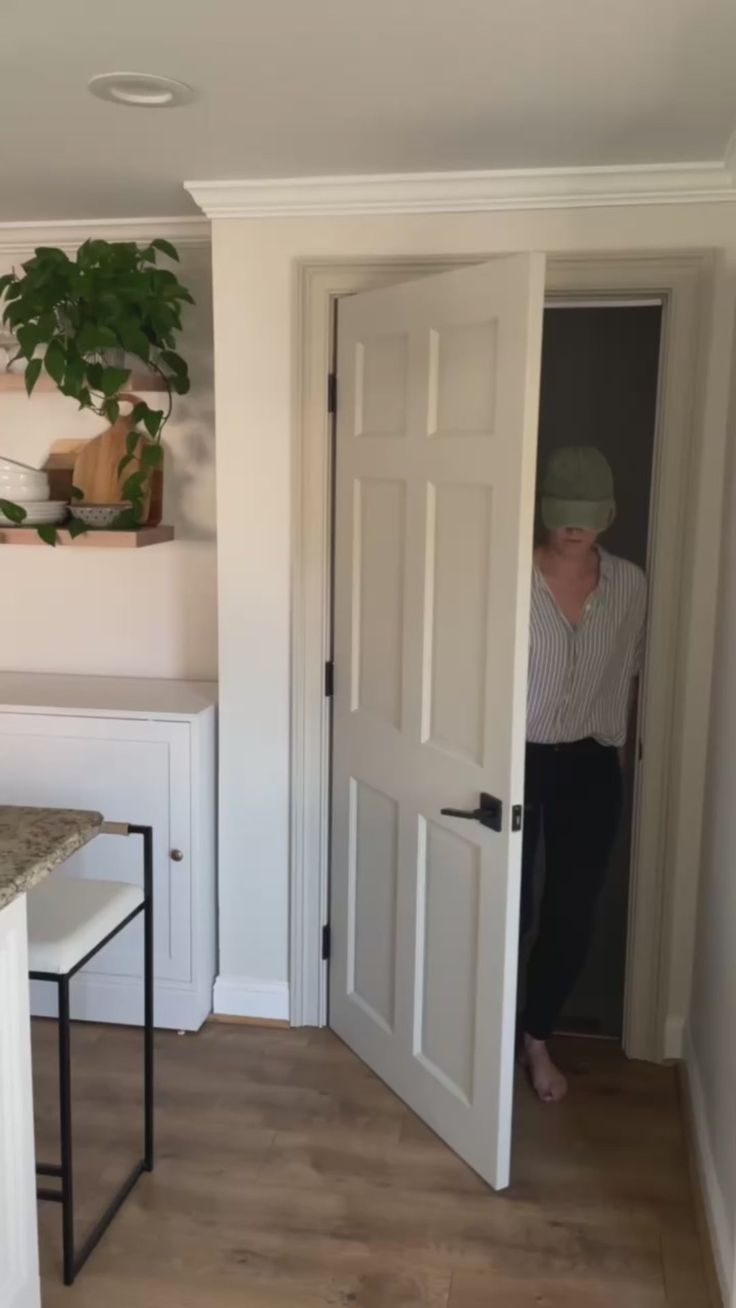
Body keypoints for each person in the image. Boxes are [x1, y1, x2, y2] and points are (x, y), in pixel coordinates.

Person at [520, 445, 647, 1103]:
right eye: (563, 513)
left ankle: (537, 1038)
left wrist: (618, 749)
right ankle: (483, 1034)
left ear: (609, 515)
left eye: (587, 515)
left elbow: (626, 669)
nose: (574, 527)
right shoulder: (511, 575)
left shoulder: (629, 583)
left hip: (592, 764)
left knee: (571, 913)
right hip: (516, 756)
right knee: (507, 905)